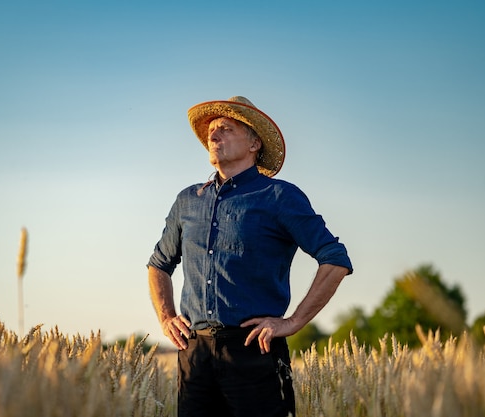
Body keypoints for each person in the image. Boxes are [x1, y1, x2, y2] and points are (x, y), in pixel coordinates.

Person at [147, 96, 353, 417]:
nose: (213, 136)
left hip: (254, 352)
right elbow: (158, 264)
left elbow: (335, 259)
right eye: (212, 131)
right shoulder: (188, 200)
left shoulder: (280, 196)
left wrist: (294, 321)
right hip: (195, 354)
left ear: (255, 142)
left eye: (226, 129)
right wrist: (166, 316)